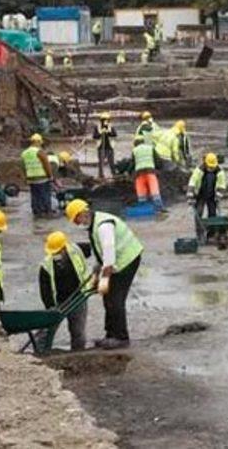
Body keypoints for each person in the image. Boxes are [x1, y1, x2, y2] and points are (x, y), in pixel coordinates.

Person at [65, 199, 143, 349]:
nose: (76, 224)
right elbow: (100, 251)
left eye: (76, 220)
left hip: (127, 260)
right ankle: (110, 335)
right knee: (107, 297)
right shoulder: (93, 224)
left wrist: (105, 276)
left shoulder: (103, 226)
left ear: (82, 214)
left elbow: (108, 251)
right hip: (115, 260)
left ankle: (121, 338)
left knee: (115, 298)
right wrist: (97, 272)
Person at [38, 231, 90, 351]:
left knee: (78, 331)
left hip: (78, 297)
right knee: (47, 330)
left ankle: (78, 353)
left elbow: (96, 248)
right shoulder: (46, 266)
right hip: (59, 302)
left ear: (64, 248)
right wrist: (50, 307)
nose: (56, 255)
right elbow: (45, 290)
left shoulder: (77, 250)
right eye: (54, 253)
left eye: (58, 252)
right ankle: (41, 351)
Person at [188, 153, 227, 244]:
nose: (211, 168)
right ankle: (200, 233)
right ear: (205, 163)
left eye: (213, 167)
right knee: (198, 213)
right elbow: (192, 182)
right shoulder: (199, 170)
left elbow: (222, 185)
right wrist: (190, 196)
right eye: (210, 167)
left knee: (212, 214)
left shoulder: (219, 172)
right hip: (200, 194)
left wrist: (218, 196)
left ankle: (211, 233)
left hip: (212, 195)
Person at [23, 133, 55, 218]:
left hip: (31, 178)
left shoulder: (24, 153)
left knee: (34, 195)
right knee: (45, 194)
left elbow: (23, 167)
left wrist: (26, 178)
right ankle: (47, 211)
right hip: (42, 178)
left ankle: (36, 212)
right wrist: (50, 176)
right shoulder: (39, 152)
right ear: (38, 142)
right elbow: (46, 165)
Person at [130, 136, 164, 210]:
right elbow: (158, 161)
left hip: (139, 174)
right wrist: (158, 169)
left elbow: (132, 164)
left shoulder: (134, 150)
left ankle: (144, 208)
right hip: (150, 172)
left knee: (141, 192)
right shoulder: (150, 148)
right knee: (154, 190)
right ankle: (159, 208)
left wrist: (128, 172)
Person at [93, 112, 117, 179]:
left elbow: (115, 135)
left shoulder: (111, 127)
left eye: (106, 120)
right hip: (101, 148)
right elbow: (94, 136)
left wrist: (108, 132)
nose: (105, 121)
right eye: (104, 120)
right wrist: (101, 133)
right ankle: (101, 176)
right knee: (101, 163)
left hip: (110, 147)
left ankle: (114, 175)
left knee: (111, 162)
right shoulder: (97, 127)